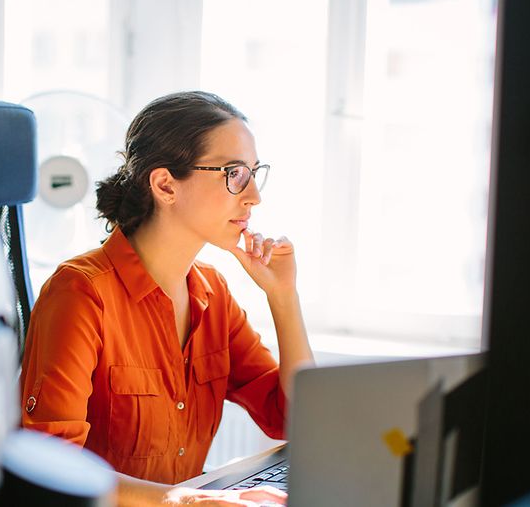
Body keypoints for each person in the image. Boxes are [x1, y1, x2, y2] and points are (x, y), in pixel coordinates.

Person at [18, 91, 313, 506]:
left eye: (253, 173)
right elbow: (51, 471)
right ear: (165, 185)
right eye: (234, 174)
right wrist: (185, 500)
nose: (253, 197)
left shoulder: (213, 295)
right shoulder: (81, 294)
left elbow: (294, 421)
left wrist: (283, 297)